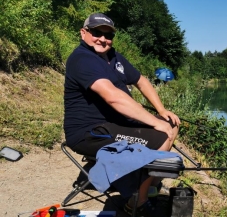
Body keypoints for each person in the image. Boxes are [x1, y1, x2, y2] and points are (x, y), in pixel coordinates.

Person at [63, 12, 180, 216]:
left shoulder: (114, 56)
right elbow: (113, 97)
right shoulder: (82, 59)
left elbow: (141, 81)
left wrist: (161, 111)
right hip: (89, 131)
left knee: (172, 122)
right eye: (96, 32)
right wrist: (155, 122)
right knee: (161, 136)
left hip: (113, 123)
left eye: (108, 35)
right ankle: (136, 202)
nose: (103, 39)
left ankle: (148, 183)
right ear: (84, 33)